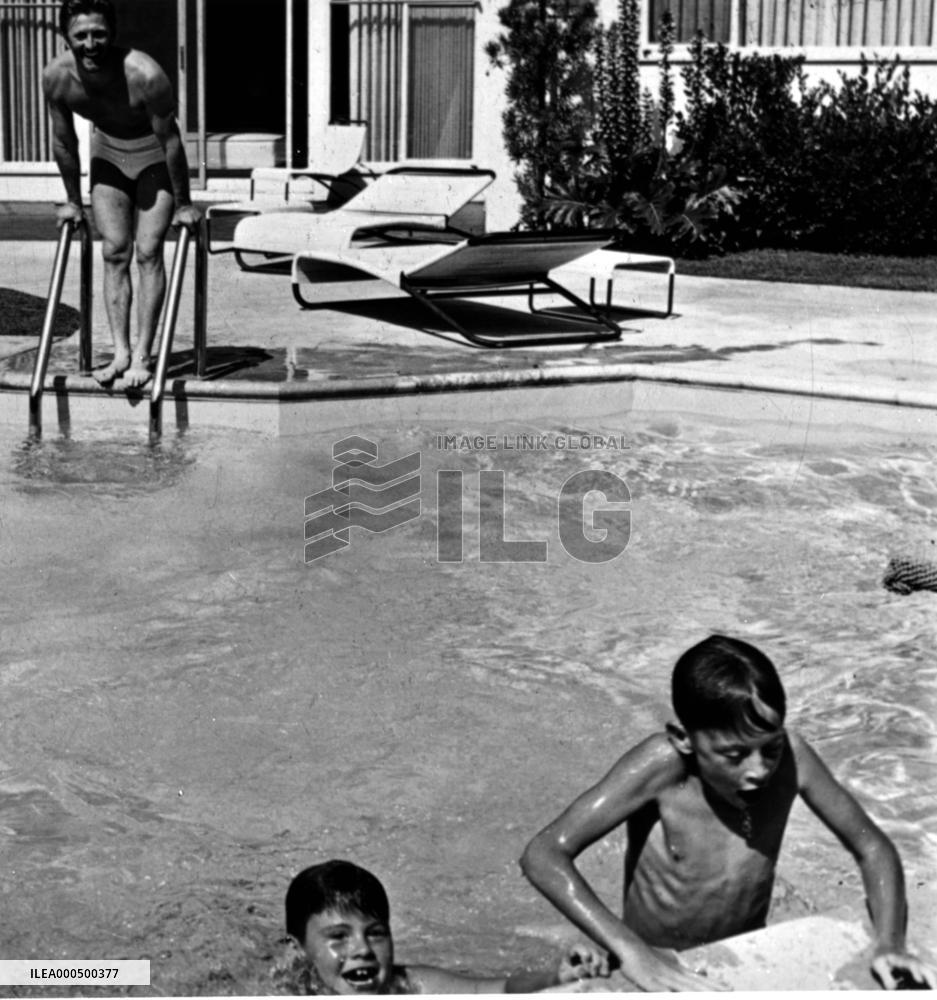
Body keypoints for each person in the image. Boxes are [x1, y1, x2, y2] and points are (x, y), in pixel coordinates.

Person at [520, 634, 937, 992]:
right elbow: (544, 854)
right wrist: (633, 952)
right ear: (684, 738)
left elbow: (872, 846)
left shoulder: (793, 759)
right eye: (734, 755)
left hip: (738, 958)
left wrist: (890, 943)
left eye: (770, 748)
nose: (759, 770)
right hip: (657, 958)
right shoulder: (663, 769)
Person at [43, 0, 200, 388]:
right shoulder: (57, 77)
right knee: (114, 251)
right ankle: (121, 353)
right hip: (109, 152)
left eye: (99, 34)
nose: (90, 44)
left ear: (112, 34)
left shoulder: (145, 73)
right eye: (81, 35)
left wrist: (183, 204)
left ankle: (143, 355)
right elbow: (63, 141)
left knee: (148, 252)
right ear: (66, 37)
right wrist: (73, 201)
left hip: (153, 154)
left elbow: (171, 141)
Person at [284, 859, 610, 994]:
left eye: (376, 933)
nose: (362, 949)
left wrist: (555, 976)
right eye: (339, 936)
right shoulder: (279, 988)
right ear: (299, 947)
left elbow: (489, 990)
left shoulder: (408, 985)